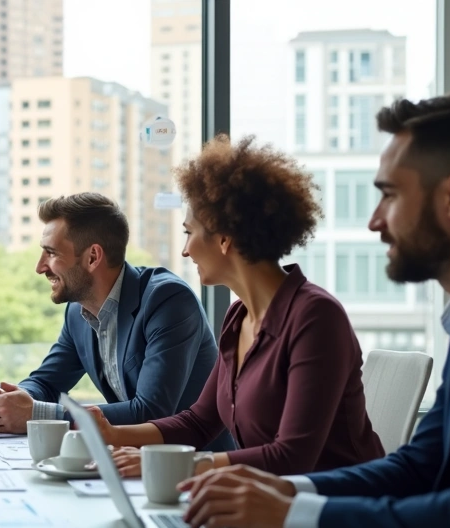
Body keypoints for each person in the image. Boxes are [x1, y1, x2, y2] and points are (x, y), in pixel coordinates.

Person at [174, 93, 450, 528]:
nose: (374, 221)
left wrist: (292, 516)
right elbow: (420, 465)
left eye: (389, 195)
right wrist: (280, 492)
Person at [95, 135, 384, 477]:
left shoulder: (316, 318)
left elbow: (291, 457)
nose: (185, 250)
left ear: (223, 238)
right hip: (265, 495)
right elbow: (198, 422)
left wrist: (169, 465)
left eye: (189, 232)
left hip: (332, 500)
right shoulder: (238, 316)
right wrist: (111, 433)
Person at [0, 193, 229, 451]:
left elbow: (151, 411)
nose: (40, 267)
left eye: (51, 253)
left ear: (92, 257)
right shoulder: (77, 312)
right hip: (132, 460)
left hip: (200, 463)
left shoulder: (168, 300)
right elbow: (46, 382)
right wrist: (16, 398)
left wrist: (38, 413)